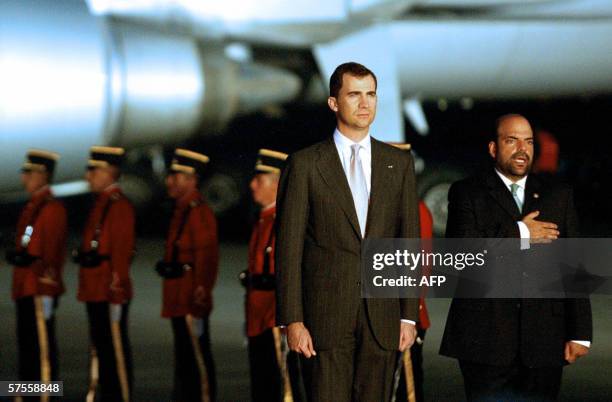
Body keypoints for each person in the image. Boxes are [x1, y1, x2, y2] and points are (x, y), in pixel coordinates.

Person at [275, 62, 420, 402]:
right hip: (323, 318)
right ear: (333, 103)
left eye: (370, 94)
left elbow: (407, 243)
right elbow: (289, 247)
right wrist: (292, 320)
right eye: (354, 94)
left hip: (382, 318)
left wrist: (408, 315)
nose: (365, 103)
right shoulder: (306, 164)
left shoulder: (397, 163)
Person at [439, 114, 592, 401]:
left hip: (544, 340)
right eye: (512, 140)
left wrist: (580, 332)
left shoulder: (558, 195)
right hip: (484, 341)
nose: (522, 149)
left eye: (528, 141)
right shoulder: (466, 193)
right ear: (493, 148)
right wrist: (520, 232)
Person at [157, 148, 219, 402]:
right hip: (178, 295)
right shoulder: (183, 209)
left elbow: (206, 257)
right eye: (171, 175)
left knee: (195, 357)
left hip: (189, 296)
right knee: (185, 356)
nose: (170, 181)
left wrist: (201, 292)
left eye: (177, 176)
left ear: (192, 179)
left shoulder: (197, 211)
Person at [75, 146, 135, 402]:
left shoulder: (117, 206)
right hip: (95, 287)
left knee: (114, 354)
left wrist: (117, 288)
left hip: (107, 290)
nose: (88, 176)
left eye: (93, 170)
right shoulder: (102, 203)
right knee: (102, 349)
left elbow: (121, 252)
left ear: (110, 172)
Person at [7, 150, 67, 399]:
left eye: (29, 173)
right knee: (28, 347)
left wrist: (43, 279)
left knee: (41, 349)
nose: (24, 179)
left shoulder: (51, 208)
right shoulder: (34, 205)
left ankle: (45, 396)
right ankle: (26, 393)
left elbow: (50, 252)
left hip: (38, 286)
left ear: (43, 175)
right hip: (26, 285)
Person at [243, 148, 292, 402]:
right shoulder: (264, 219)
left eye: (259, 180)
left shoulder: (287, 222)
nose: (252, 185)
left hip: (274, 316)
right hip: (258, 314)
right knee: (261, 382)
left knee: (280, 385)